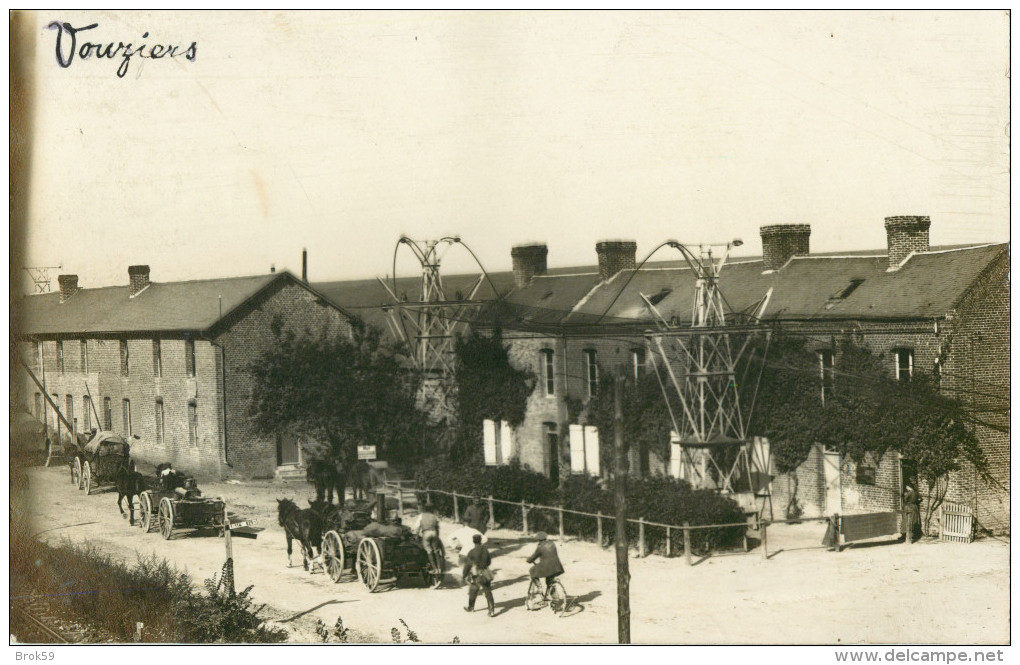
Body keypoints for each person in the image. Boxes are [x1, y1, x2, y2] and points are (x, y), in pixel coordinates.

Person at [463, 534, 495, 617]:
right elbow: (489, 562)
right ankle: (491, 610)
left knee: (473, 590)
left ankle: (471, 607)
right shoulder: (485, 550)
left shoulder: (472, 552)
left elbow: (467, 565)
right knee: (488, 591)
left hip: (476, 573)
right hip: (485, 572)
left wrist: (464, 575)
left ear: (473, 541)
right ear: (480, 541)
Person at [416, 503, 443, 572]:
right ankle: (439, 568)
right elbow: (437, 527)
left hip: (426, 533)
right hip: (434, 532)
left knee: (429, 551)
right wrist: (437, 536)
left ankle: (434, 568)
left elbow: (417, 527)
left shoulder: (421, 516)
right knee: (436, 551)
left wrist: (416, 536)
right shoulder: (434, 516)